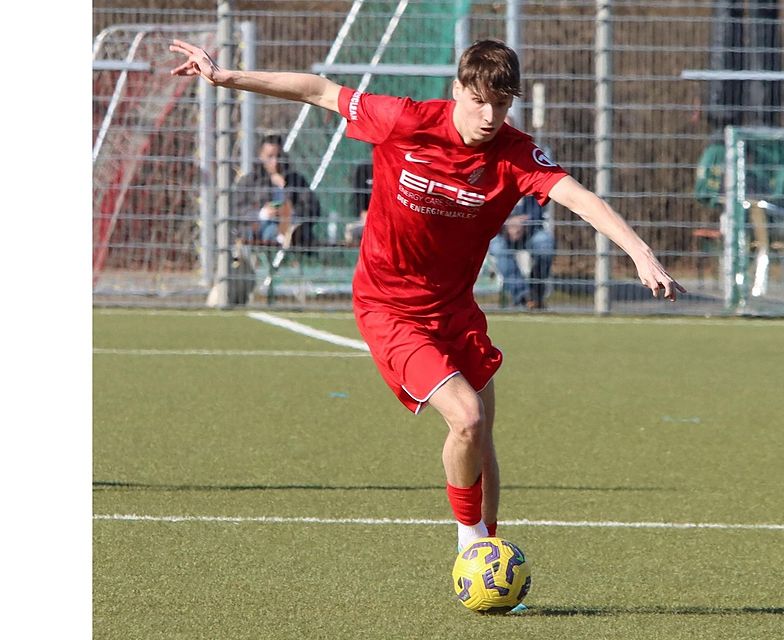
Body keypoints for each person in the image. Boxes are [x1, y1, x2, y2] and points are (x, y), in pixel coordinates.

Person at [170, 38, 684, 553]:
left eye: (502, 105)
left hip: (454, 308)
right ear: (457, 89)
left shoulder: (515, 153)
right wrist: (225, 77)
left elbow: (580, 197)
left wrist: (639, 252)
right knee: (468, 417)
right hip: (388, 306)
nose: (489, 116)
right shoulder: (404, 120)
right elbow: (320, 91)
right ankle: (471, 546)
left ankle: (489, 553)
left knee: (481, 439)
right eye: (479, 100)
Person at [234, 134, 322, 248]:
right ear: (261, 156)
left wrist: (289, 211)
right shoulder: (250, 181)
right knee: (270, 230)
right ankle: (284, 237)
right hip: (260, 227)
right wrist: (262, 214)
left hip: (291, 223)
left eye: (278, 156)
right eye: (270, 156)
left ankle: (288, 235)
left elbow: (313, 207)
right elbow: (237, 210)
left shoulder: (295, 180)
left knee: (299, 230)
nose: (275, 162)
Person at [489, 194, 555, 309]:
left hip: (531, 230)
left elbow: (538, 210)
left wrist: (524, 224)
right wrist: (507, 224)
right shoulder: (496, 183)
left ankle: (536, 294)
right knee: (497, 246)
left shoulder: (531, 180)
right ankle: (523, 296)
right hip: (502, 231)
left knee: (545, 242)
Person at [344, 161, 373, 245]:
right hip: (367, 218)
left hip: (384, 220)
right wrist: (364, 214)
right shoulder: (363, 170)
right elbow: (359, 196)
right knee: (351, 231)